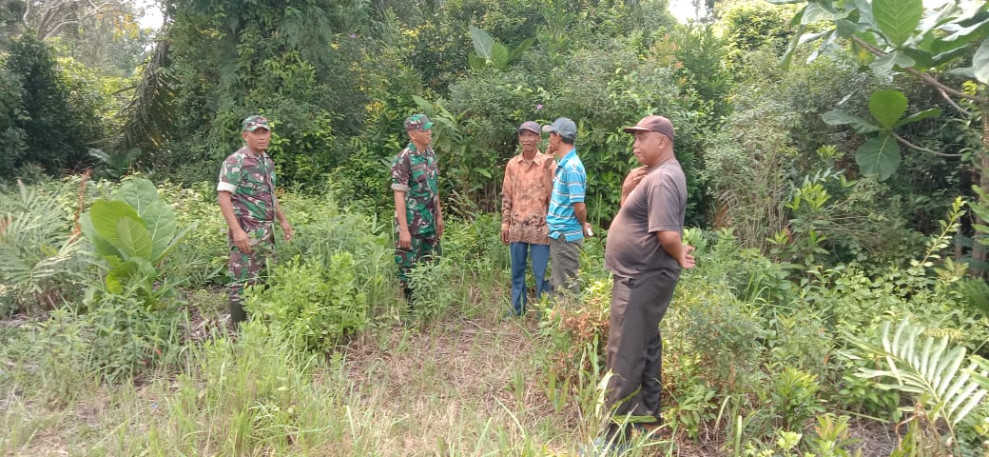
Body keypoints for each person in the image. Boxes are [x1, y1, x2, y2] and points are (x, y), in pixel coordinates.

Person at [603, 115, 695, 442]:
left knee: (624, 354)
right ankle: (645, 418)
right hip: (639, 276)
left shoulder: (663, 179)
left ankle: (614, 440)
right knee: (645, 345)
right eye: (635, 138)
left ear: (662, 141)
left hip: (640, 278)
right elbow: (636, 220)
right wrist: (627, 190)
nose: (635, 144)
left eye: (642, 138)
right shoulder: (655, 176)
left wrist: (677, 250)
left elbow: (667, 233)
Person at [217, 115, 293, 327]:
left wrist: (283, 220)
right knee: (241, 278)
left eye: (265, 132)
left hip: (266, 232)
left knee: (264, 275)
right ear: (245, 136)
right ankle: (238, 329)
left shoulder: (266, 161)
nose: (262, 137)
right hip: (246, 230)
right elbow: (223, 196)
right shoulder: (236, 161)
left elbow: (270, 194)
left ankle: (261, 323)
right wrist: (237, 231)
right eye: (256, 133)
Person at [501, 121, 555, 316]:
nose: (527, 139)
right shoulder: (512, 165)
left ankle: (544, 314)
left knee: (541, 274)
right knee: (517, 272)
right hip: (516, 226)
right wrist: (505, 222)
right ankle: (518, 308)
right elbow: (507, 195)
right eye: (523, 135)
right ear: (519, 139)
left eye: (531, 135)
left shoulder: (547, 163)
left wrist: (553, 225)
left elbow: (555, 197)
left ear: (538, 139)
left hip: (541, 228)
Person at [391, 113, 444, 305]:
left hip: (430, 220)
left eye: (429, 128)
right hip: (412, 224)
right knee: (409, 265)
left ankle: (429, 302)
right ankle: (412, 309)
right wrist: (403, 229)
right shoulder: (404, 158)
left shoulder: (430, 154)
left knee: (432, 260)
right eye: (425, 129)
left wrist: (439, 217)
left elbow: (434, 188)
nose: (429, 132)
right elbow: (399, 194)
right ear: (413, 134)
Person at [543, 117, 591, 300]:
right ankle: (561, 325)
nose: (549, 140)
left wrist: (584, 223)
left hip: (566, 237)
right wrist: (545, 169)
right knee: (558, 284)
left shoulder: (571, 167)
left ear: (557, 137)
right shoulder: (563, 165)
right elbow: (552, 194)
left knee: (567, 289)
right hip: (558, 234)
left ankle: (570, 326)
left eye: (550, 135)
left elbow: (579, 205)